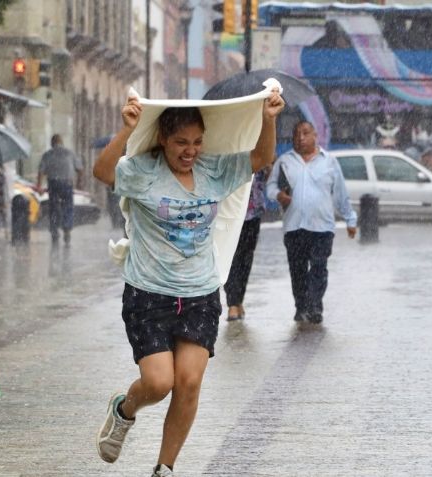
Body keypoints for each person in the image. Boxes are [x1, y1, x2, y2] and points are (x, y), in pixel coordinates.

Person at [92, 89, 284, 477]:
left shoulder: (215, 170)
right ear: (163, 138)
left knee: (189, 383)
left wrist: (269, 118)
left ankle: (165, 468)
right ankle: (124, 409)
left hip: (200, 295)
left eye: (196, 142)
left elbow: (262, 157)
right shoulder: (143, 172)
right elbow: (102, 171)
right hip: (149, 294)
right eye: (181, 142)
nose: (190, 150)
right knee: (160, 383)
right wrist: (126, 130)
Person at [266, 120, 357, 324]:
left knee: (318, 267)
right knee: (297, 270)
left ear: (315, 135)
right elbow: (270, 187)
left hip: (322, 227)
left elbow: (341, 194)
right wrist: (279, 195)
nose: (301, 137)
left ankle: (315, 307)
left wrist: (351, 219)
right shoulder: (284, 161)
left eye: (306, 133)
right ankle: (301, 307)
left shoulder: (330, 162)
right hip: (294, 227)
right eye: (297, 134)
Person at [223, 166, 270, 321]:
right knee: (230, 258)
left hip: (252, 215)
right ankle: (233, 303)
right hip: (230, 215)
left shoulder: (261, 157)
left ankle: (238, 299)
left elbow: (267, 180)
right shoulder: (230, 156)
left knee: (246, 259)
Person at [37, 134, 83, 244]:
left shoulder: (48, 154)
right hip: (67, 183)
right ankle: (67, 229)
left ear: (52, 143)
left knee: (53, 207)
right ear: (61, 142)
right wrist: (79, 182)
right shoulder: (70, 153)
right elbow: (80, 169)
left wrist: (39, 185)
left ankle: (54, 230)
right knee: (68, 206)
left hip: (53, 183)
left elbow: (41, 171)